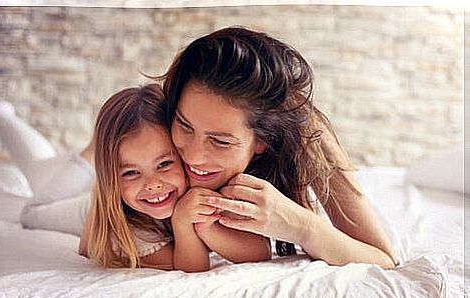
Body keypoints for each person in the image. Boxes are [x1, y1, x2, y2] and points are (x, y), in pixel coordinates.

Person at [158, 26, 398, 269]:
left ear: (264, 140)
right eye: (184, 125)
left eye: (221, 141)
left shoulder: (306, 133)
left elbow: (383, 260)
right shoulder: (151, 123)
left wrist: (299, 225)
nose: (194, 156)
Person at [1, 84, 270, 271]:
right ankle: (1, 118)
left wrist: (207, 226)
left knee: (42, 168)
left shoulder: (206, 176)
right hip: (96, 204)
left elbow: (260, 252)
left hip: (114, 184)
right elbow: (189, 268)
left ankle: (2, 116)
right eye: (131, 170)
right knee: (32, 211)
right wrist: (183, 222)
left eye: (165, 164)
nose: (152, 183)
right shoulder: (128, 226)